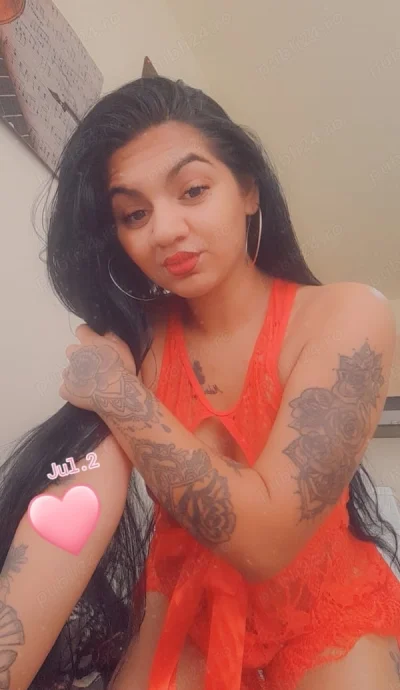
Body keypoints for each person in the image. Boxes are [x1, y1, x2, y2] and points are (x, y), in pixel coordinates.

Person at [0, 76, 400, 690]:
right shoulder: (136, 342)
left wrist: (118, 395)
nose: (164, 230)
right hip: (184, 605)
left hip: (321, 605)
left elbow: (267, 542)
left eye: (192, 190)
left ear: (248, 190)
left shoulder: (350, 316)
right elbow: (76, 500)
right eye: (134, 214)